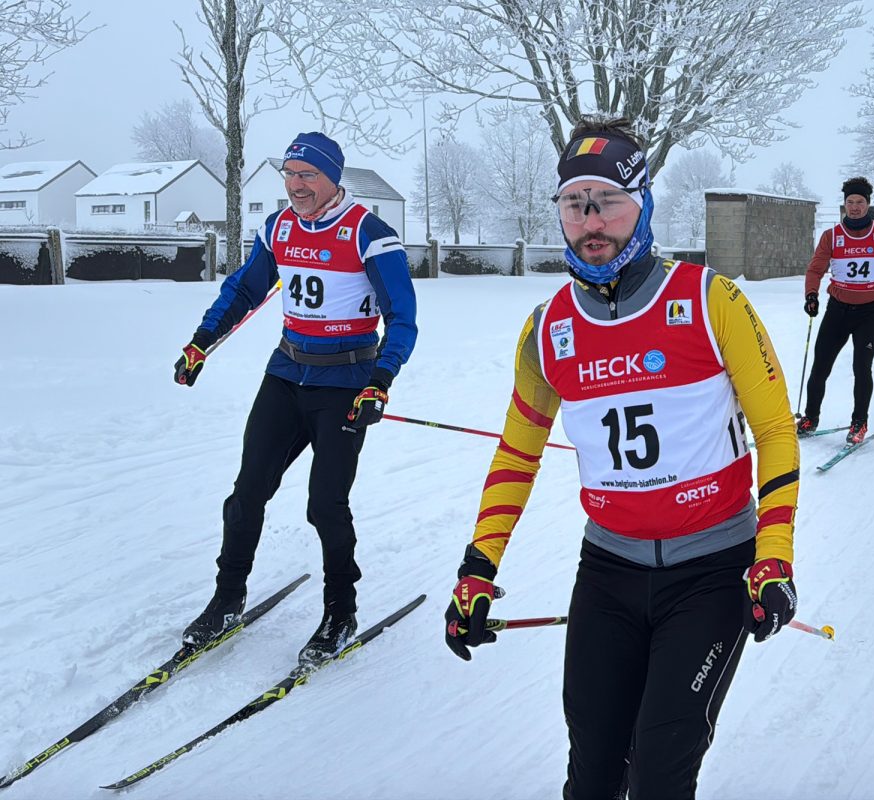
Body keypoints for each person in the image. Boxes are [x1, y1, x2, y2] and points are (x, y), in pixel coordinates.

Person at [441, 115, 800, 800]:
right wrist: (478, 567)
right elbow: (517, 453)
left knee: (663, 770)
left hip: (712, 570)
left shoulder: (707, 299)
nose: (590, 220)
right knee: (594, 772)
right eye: (574, 204)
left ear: (643, 203)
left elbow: (776, 431)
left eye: (607, 199)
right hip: (607, 572)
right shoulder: (548, 330)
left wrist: (773, 553)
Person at [173, 132, 418, 666]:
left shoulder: (370, 235)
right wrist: (200, 343)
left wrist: (381, 379)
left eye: (307, 175)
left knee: (325, 505)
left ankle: (340, 611)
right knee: (245, 494)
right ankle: (227, 598)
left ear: (333, 178)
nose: (296, 185)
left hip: (345, 385)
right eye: (289, 174)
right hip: (286, 376)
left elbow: (403, 316)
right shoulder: (278, 228)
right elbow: (242, 289)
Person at [795, 176, 874, 444]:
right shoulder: (832, 236)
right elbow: (815, 269)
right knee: (820, 367)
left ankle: (859, 422)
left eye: (860, 202)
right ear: (844, 205)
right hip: (838, 311)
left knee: (862, 368)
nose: (855, 207)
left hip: (870, 313)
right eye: (850, 202)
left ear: (868, 204)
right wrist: (811, 295)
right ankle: (811, 417)